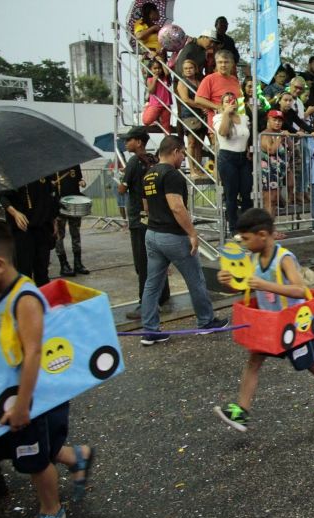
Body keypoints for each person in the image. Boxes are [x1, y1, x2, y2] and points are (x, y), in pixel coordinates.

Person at [0, 219, 94, 518]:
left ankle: (52, 510)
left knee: (34, 457)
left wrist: (23, 405)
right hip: (11, 390)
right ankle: (77, 456)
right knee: (26, 447)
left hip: (33, 396)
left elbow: (33, 352)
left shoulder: (25, 298)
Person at [214, 208, 314, 430]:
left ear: (263, 235)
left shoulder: (284, 258)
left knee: (310, 363)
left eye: (247, 239)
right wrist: (227, 282)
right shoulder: (253, 258)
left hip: (293, 325)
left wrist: (266, 285)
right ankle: (241, 410)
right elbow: (244, 288)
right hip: (269, 324)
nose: (245, 244)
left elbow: (300, 290)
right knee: (253, 361)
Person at [139, 136, 228, 345]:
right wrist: (192, 233)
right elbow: (177, 207)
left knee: (152, 284)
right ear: (175, 151)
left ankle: (150, 330)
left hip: (152, 234)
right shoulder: (172, 175)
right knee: (195, 278)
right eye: (183, 155)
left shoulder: (149, 174)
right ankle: (206, 322)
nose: (183, 159)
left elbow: (146, 207)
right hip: (173, 236)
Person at [117, 126, 171, 320]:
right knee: (158, 259)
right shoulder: (153, 160)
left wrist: (121, 181)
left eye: (129, 140)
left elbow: (122, 189)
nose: (126, 143)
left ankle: (145, 303)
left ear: (138, 142)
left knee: (142, 263)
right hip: (154, 217)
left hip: (138, 218)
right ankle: (163, 296)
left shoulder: (133, 162)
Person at [0, 177, 57, 287]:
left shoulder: (44, 171)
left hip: (43, 228)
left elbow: (51, 197)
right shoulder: (15, 172)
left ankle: (42, 301)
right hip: (23, 230)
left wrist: (54, 220)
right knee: (24, 272)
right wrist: (15, 213)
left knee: (43, 272)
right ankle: (25, 300)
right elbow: (3, 196)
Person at [214, 91, 253, 234]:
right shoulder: (218, 117)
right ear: (222, 105)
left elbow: (246, 135)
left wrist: (248, 149)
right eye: (226, 101)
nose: (231, 102)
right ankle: (234, 228)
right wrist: (226, 114)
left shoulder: (244, 118)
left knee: (246, 191)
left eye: (233, 100)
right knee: (231, 194)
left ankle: (247, 225)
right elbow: (223, 132)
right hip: (227, 158)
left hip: (242, 157)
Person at [51, 165, 89, 277]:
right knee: (59, 236)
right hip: (59, 205)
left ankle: (78, 263)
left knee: (76, 234)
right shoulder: (52, 166)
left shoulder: (74, 164)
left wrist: (82, 182)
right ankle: (64, 265)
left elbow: (78, 179)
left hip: (74, 204)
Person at [175, 59, 208, 178]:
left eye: (190, 68)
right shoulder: (182, 82)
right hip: (189, 115)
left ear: (195, 69)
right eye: (186, 68)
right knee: (192, 142)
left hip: (201, 115)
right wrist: (202, 105)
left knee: (200, 143)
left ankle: (198, 168)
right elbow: (186, 99)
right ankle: (192, 170)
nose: (188, 70)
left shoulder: (200, 82)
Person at [194, 49, 242, 130]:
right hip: (218, 123)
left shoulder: (235, 79)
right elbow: (198, 99)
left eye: (226, 62)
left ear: (232, 63)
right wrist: (218, 107)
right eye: (220, 62)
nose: (223, 65)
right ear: (216, 63)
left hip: (235, 123)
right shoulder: (209, 79)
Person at [142, 59, 172, 132]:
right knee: (146, 121)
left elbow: (167, 73)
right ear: (150, 69)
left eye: (159, 68)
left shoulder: (165, 78)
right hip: (155, 105)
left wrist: (159, 59)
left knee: (166, 127)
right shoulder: (150, 79)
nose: (157, 70)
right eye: (155, 68)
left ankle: (168, 140)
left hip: (166, 105)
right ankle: (147, 109)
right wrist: (155, 80)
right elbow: (151, 91)